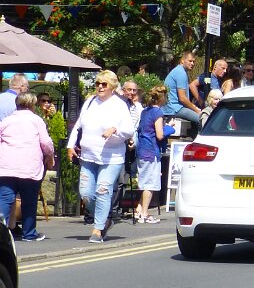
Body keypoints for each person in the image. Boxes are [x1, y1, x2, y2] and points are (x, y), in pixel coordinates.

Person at [68, 70, 136, 242]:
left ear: (112, 86)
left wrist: (115, 129)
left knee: (102, 190)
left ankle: (98, 229)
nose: (100, 87)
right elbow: (78, 125)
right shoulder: (90, 101)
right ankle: (105, 219)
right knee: (86, 194)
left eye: (104, 84)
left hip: (111, 158)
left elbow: (129, 130)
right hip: (88, 156)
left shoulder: (119, 105)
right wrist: (70, 145)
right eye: (98, 83)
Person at [0, 92, 55, 241]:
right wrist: (50, 154)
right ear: (32, 105)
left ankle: (1, 231)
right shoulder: (36, 120)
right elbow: (46, 143)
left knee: (5, 199)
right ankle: (29, 234)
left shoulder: (6, 121)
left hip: (7, 166)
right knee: (29, 200)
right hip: (29, 167)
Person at [134, 84, 173, 224]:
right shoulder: (158, 113)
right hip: (151, 150)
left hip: (141, 149)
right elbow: (160, 135)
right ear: (162, 98)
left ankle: (139, 210)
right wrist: (170, 128)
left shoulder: (145, 111)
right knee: (150, 184)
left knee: (145, 181)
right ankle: (144, 214)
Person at [164, 50, 202, 125]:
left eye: (193, 62)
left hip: (174, 107)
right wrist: (196, 110)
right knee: (203, 120)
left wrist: (193, 107)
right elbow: (182, 98)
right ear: (182, 60)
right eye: (190, 61)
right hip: (174, 108)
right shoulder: (180, 73)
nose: (192, 63)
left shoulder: (178, 71)